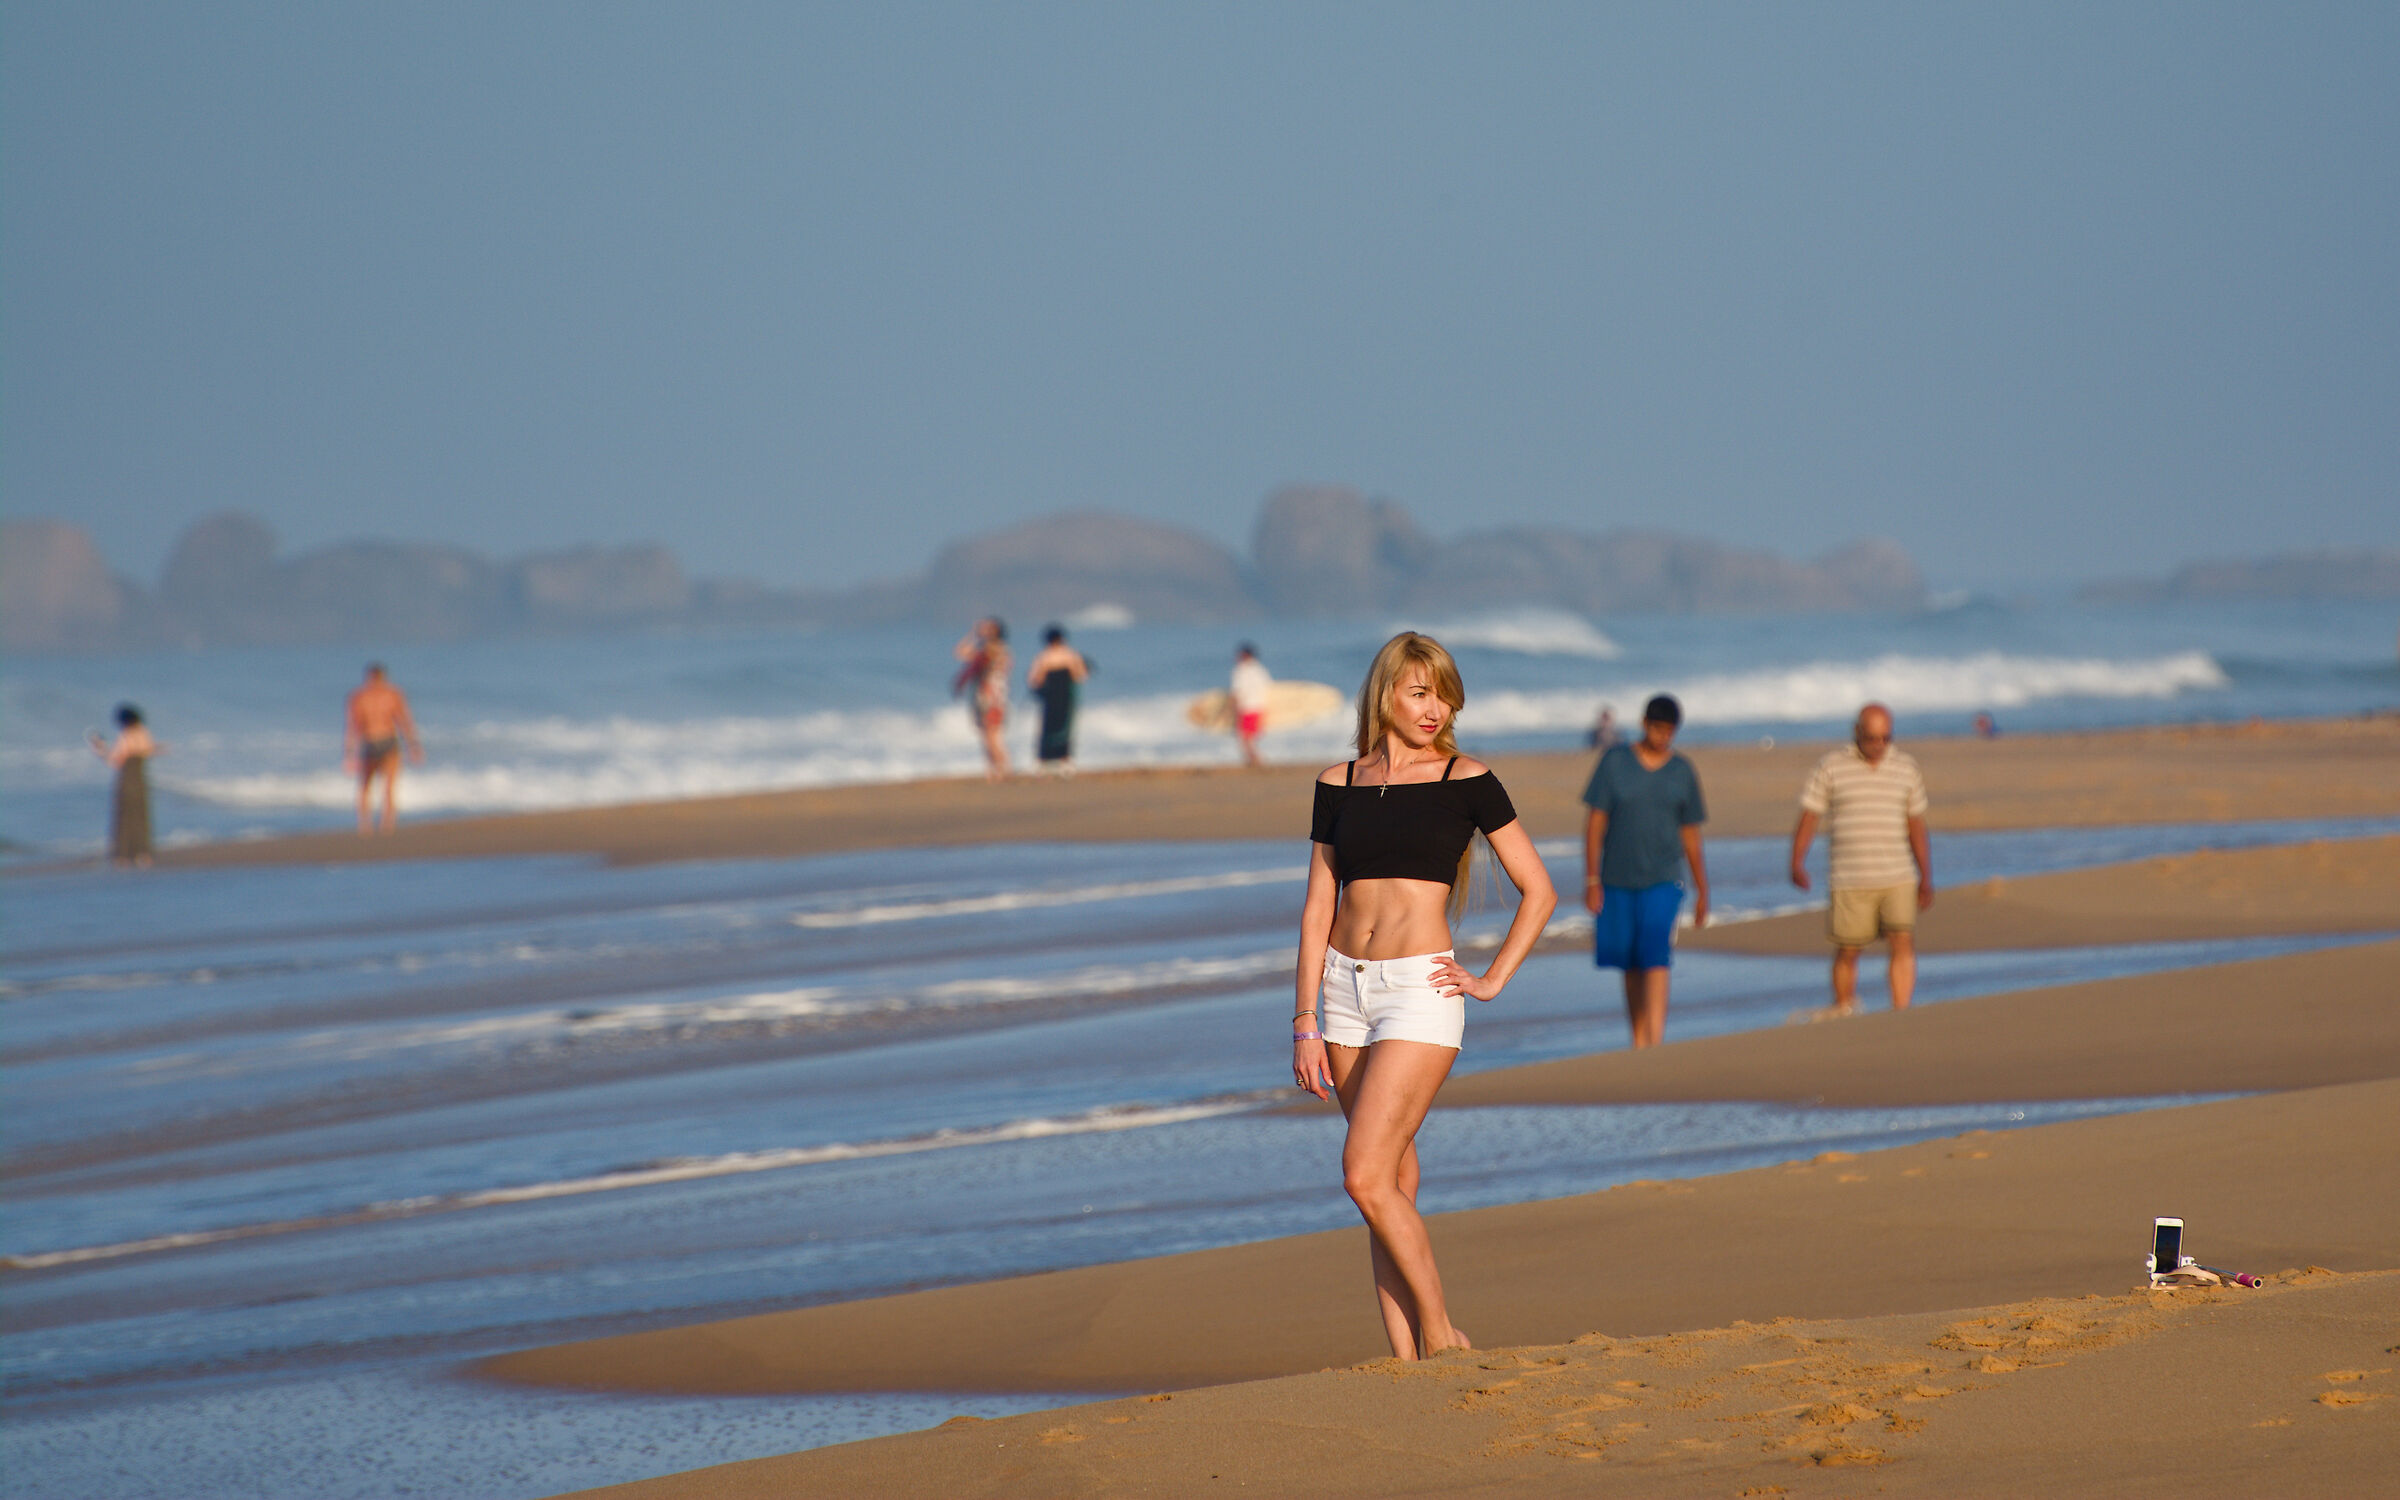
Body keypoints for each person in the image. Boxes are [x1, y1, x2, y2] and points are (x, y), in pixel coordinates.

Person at [1292, 632, 1557, 1361]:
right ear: (1386, 695)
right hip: (1343, 991)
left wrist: (1494, 977)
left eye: (1443, 694)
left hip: (1420, 992)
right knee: (1393, 1178)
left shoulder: (1467, 778)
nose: (1434, 707)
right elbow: (1319, 908)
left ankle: (1441, 1334)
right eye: (1419, 692)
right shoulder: (1337, 782)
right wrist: (1305, 1019)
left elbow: (1539, 890)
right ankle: (1402, 1362)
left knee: (1363, 1173)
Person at [1581, 693, 1710, 1049]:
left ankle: (1655, 1040)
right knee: (1630, 961)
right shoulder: (1614, 762)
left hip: (1664, 880)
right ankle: (1639, 1037)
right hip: (1617, 879)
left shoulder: (1682, 771)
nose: (1662, 736)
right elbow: (1595, 824)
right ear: (1644, 724)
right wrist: (1592, 880)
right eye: (1657, 728)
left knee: (1655, 956)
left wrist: (1703, 889)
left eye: (1669, 730)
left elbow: (1691, 833)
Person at [1790, 703, 1934, 1013]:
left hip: (1898, 874)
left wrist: (1926, 877)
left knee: (1902, 940)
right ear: (1856, 731)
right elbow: (1810, 816)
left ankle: (1901, 1011)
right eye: (1872, 738)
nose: (1879, 746)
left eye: (1886, 738)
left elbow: (1916, 826)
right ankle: (1844, 1007)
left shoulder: (1906, 767)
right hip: (1849, 876)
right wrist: (1797, 861)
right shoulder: (1831, 766)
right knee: (1848, 949)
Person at [345, 663, 424, 835]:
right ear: (383, 677)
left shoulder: (360, 696)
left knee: (369, 786)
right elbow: (404, 721)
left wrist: (350, 754)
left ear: (369, 677)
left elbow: (353, 727)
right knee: (380, 786)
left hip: (372, 741)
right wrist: (414, 746)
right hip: (387, 741)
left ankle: (367, 826)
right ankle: (386, 825)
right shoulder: (392, 694)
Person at [87, 704, 158, 866]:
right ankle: (144, 854)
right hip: (141, 779)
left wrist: (100, 750)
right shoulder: (144, 733)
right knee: (142, 817)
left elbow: (115, 760)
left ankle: (123, 855)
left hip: (127, 780)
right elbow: (149, 750)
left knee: (125, 818)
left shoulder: (127, 735)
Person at [1025, 624, 1091, 773]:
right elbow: (1080, 675)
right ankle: (1065, 760)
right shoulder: (1070, 654)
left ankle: (1043, 761)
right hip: (1066, 696)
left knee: (1047, 728)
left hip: (1050, 697)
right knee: (1065, 728)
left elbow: (1034, 679)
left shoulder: (1044, 656)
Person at [952, 618, 1012, 781]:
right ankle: (994, 769)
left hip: (992, 696)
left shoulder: (994, 649)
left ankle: (1002, 767)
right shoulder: (990, 649)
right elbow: (960, 652)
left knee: (991, 736)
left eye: (987, 629)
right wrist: (974, 634)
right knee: (987, 735)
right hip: (986, 695)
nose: (983, 631)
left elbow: (962, 652)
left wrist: (974, 636)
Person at [1230, 643, 1272, 767]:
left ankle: (1256, 759)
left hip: (1246, 706)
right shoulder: (1260, 669)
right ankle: (1255, 758)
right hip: (1259, 706)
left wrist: (1234, 708)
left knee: (1244, 736)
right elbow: (1268, 686)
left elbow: (1237, 690)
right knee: (1251, 736)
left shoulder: (1240, 670)